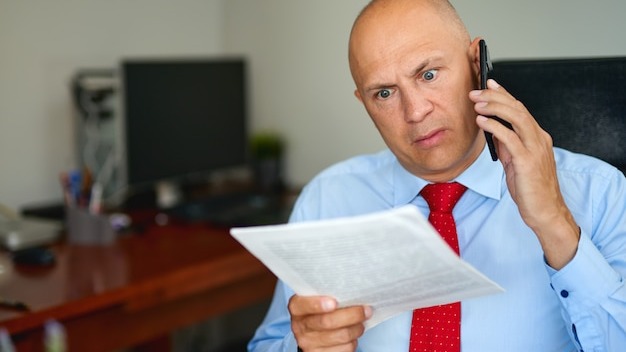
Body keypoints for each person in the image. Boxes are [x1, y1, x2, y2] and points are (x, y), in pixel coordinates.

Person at [248, 0, 626, 351]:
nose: (414, 111)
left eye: (428, 74)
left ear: (476, 64)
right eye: (384, 93)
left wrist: (554, 222)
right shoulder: (328, 199)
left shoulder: (599, 191)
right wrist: (305, 345)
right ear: (364, 103)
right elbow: (270, 343)